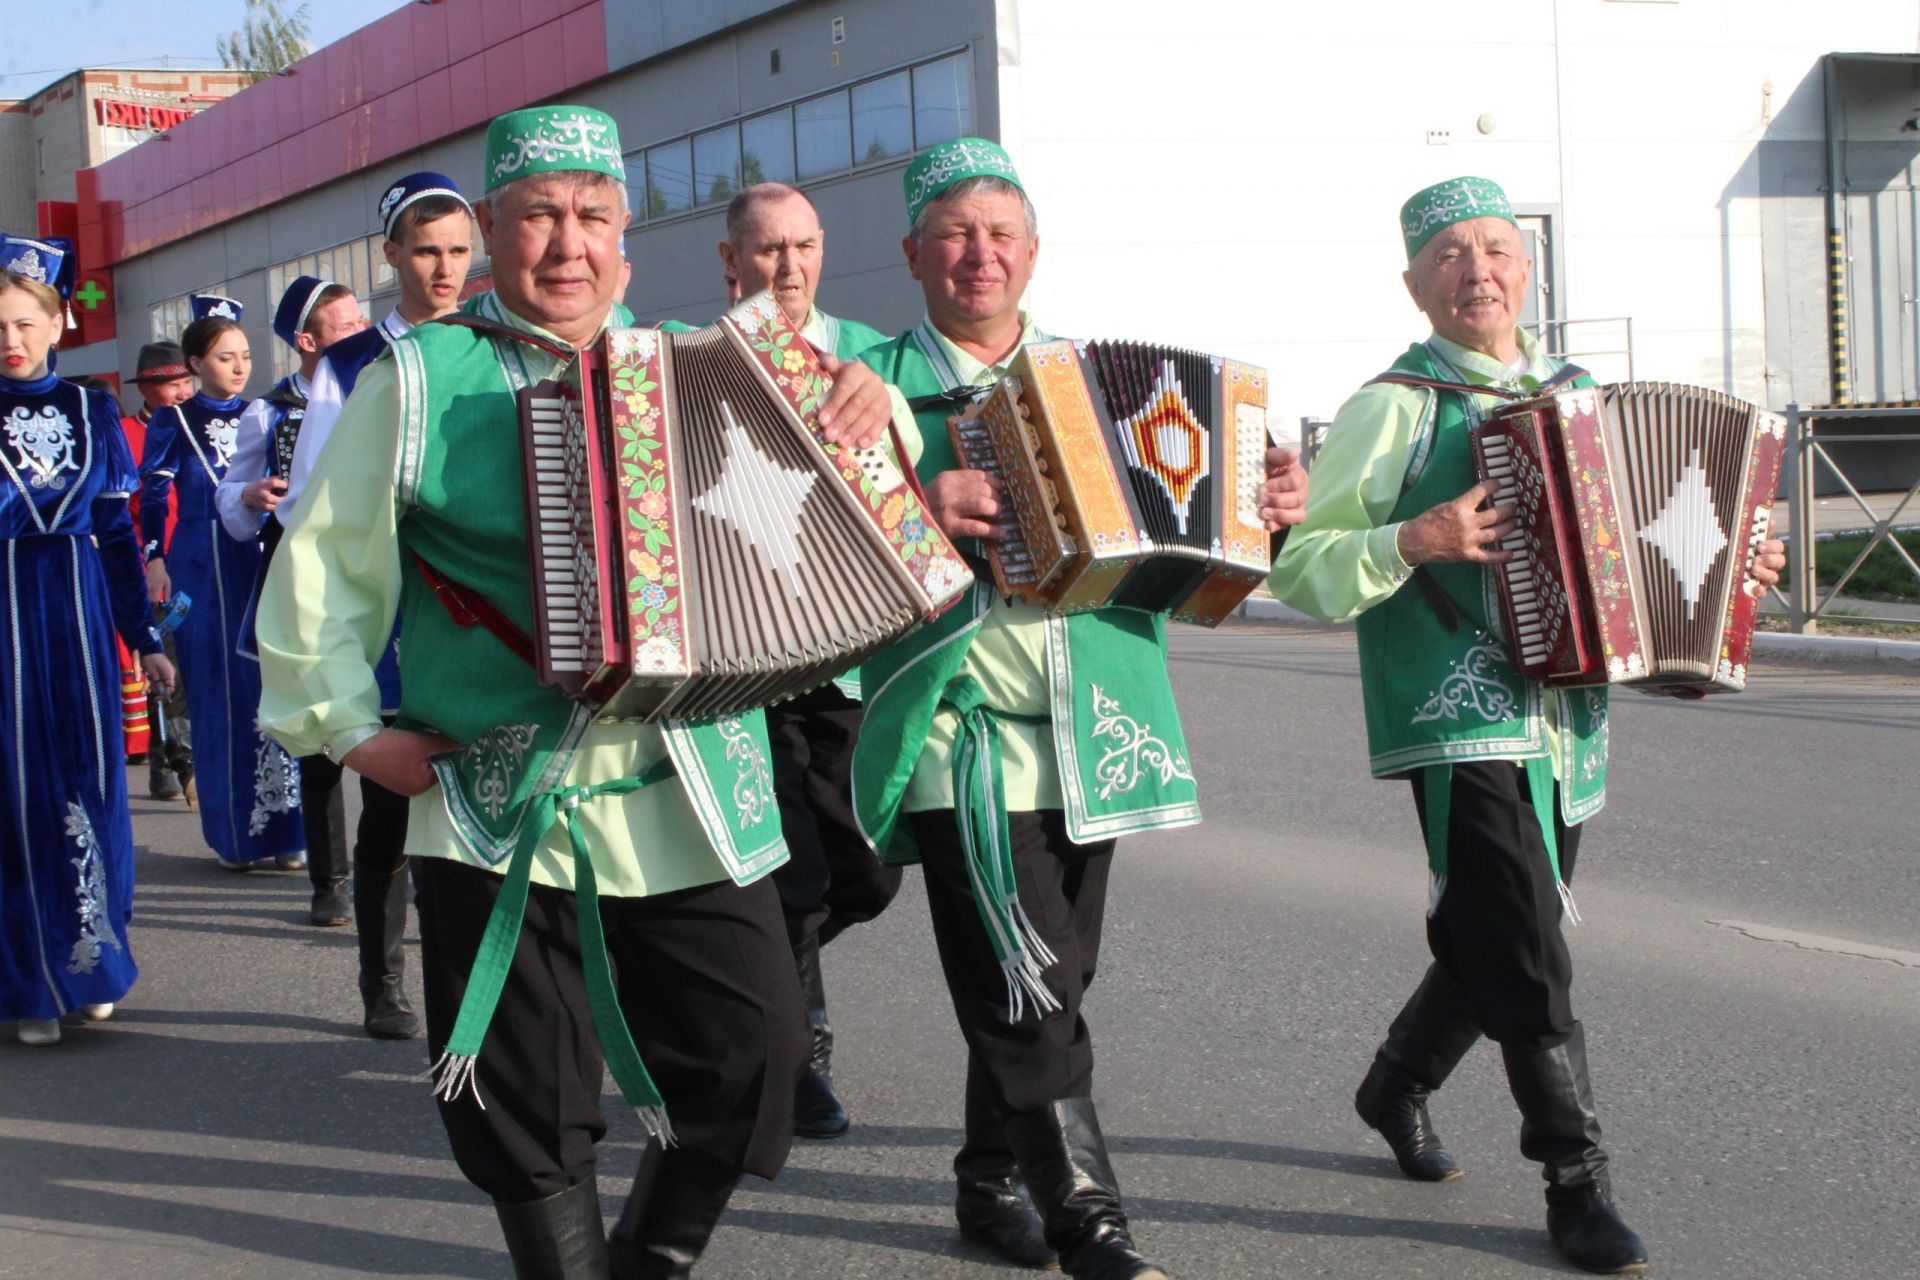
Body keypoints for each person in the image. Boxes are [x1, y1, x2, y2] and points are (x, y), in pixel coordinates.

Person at [256, 105, 902, 1277]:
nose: (567, 243)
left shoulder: (704, 366)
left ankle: (650, 1259)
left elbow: (843, 497)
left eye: (593, 216)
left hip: (689, 778)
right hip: (499, 790)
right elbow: (324, 567)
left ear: (628, 240)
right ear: (493, 229)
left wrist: (874, 407)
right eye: (539, 216)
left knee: (755, 1053)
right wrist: (353, 733)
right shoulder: (416, 378)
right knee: (522, 1093)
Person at [1268, 176, 1788, 1276]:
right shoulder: (1392, 406)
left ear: (1527, 268)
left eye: (1497, 248)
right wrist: (1415, 536)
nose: (1478, 270)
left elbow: (1655, 542)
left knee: (1496, 931)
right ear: (1415, 282)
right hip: (1455, 718)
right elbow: (1304, 568)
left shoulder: (1582, 394)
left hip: (1569, 718)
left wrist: (1736, 568)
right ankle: (1575, 1180)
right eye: (1450, 254)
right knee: (1529, 946)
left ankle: (1396, 1080)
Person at [852, 138, 1308, 1280]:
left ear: (1034, 251)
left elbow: (1197, 528)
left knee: (1052, 971)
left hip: (1097, 723)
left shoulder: (1094, 378)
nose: (980, 254)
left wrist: (1270, 504)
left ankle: (987, 1176)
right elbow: (799, 523)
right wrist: (914, 494)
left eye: (1001, 234)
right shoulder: (870, 383)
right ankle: (1092, 1223)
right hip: (961, 726)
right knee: (1030, 978)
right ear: (912, 252)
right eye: (955, 232)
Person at [246, 173, 475, 1037]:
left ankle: (474, 989)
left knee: (473, 800)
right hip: (394, 608)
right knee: (392, 803)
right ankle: (382, 981)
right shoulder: (350, 363)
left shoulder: (493, 342)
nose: (444, 269)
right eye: (425, 251)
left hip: (478, 614)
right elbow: (316, 507)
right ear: (391, 256)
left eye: (458, 250)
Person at [718, 180, 900, 1140]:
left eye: (804, 247)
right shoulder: (697, 359)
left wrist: (890, 406)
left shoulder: (870, 352)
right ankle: (804, 1056)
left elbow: (922, 463)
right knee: (787, 878)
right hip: (746, 663)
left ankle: (748, 965)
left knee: (864, 875)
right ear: (731, 261)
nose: (788, 269)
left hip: (855, 658)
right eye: (767, 250)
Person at [0, 237, 174, 1045]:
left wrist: (144, 637)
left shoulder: (92, 409)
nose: (12, 338)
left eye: (26, 322)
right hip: (3, 616)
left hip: (74, 616)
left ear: (58, 321)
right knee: (16, 793)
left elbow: (114, 531)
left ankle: (93, 958)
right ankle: (30, 985)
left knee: (89, 781)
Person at [213, 276, 366, 928]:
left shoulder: (386, 387)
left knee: (398, 725)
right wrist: (247, 499)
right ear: (309, 340)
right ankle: (329, 879)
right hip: (303, 581)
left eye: (364, 316)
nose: (364, 330)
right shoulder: (268, 412)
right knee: (321, 739)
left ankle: (403, 867)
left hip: (374, 573)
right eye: (346, 324)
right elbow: (232, 494)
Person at [140, 297, 305, 871]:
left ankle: (285, 829)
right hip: (201, 563)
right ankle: (234, 833)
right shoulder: (173, 419)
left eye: (245, 356)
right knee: (216, 693)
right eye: (225, 357)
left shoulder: (266, 412)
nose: (239, 367)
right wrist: (155, 556)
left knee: (271, 686)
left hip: (256, 556)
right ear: (195, 362)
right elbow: (157, 493)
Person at [121, 341, 196, 802]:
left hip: (201, 561)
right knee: (166, 662)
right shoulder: (125, 433)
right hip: (152, 567)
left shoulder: (201, 426)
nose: (183, 391)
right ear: (148, 388)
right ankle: (177, 757)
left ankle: (169, 753)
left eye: (187, 380)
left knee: (194, 663)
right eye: (173, 383)